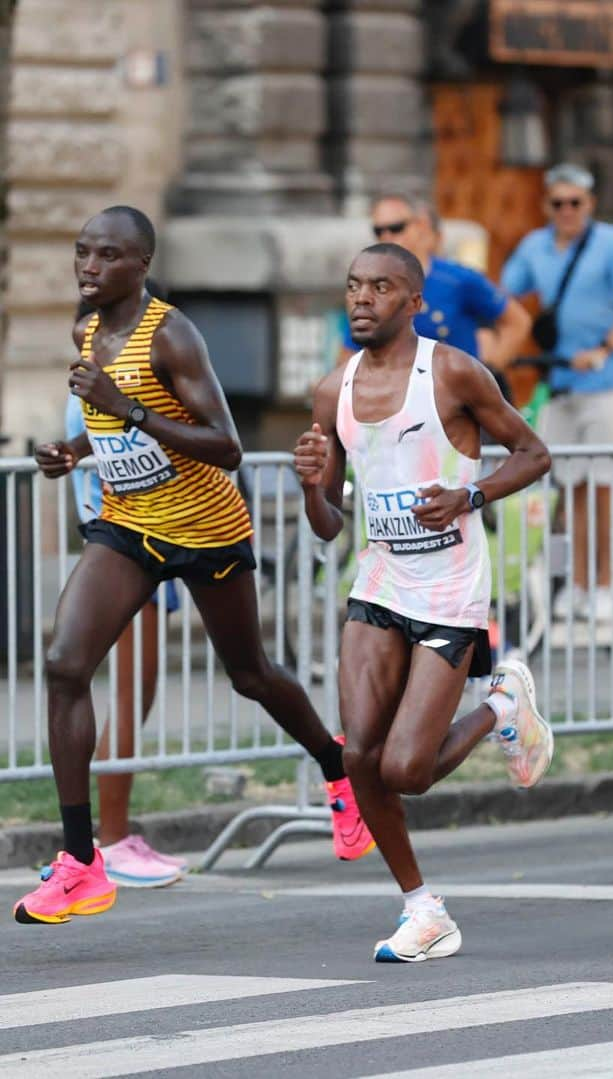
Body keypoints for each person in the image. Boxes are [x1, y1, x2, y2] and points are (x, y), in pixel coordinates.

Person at [14, 206, 374, 926]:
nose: (89, 266)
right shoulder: (86, 328)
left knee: (251, 674)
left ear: (140, 265)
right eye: (83, 252)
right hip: (127, 524)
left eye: (107, 255)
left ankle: (337, 768)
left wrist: (126, 409)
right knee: (63, 664)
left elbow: (225, 444)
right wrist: (75, 452)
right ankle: (83, 861)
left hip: (207, 530)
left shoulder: (171, 333)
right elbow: (113, 424)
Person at [295, 242, 554, 963]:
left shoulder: (450, 372)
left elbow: (533, 453)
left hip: (450, 592)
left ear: (414, 303)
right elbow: (329, 525)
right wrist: (312, 485)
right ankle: (423, 908)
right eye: (353, 286)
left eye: (381, 287)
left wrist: (470, 494)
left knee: (408, 768)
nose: (362, 299)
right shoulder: (331, 391)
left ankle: (503, 704)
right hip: (377, 584)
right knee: (360, 757)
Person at [501, 162, 613, 622]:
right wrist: (511, 342)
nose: (567, 211)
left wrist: (604, 348)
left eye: (575, 203)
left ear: (590, 204)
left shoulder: (611, 243)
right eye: (558, 203)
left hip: (604, 381)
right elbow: (503, 295)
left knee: (604, 487)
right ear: (547, 205)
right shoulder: (535, 246)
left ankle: (605, 583)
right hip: (559, 381)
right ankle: (578, 583)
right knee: (570, 488)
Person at [64, 390, 185, 888]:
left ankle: (114, 835)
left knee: (140, 691)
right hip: (128, 551)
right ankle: (110, 839)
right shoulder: (95, 398)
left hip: (151, 545)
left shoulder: (115, 388)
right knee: (132, 693)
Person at [341, 194, 531, 377]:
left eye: (397, 228)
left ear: (420, 225)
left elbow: (517, 322)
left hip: (455, 399)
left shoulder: (456, 279)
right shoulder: (370, 287)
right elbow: (349, 354)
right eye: (379, 231)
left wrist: (489, 372)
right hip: (397, 401)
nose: (387, 237)